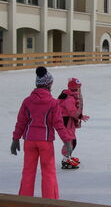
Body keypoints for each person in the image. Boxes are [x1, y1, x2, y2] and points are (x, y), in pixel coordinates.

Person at [10, 66, 73, 199]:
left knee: (28, 172)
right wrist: (67, 141)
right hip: (45, 143)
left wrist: (15, 139)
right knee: (48, 173)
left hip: (29, 141)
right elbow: (59, 124)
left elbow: (21, 122)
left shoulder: (27, 101)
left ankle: (24, 201)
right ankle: (50, 201)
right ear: (49, 84)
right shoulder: (52, 103)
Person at [58, 78, 90, 169]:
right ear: (75, 88)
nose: (80, 90)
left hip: (69, 120)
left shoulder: (70, 95)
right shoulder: (70, 98)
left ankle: (68, 157)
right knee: (70, 140)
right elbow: (71, 110)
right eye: (78, 88)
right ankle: (66, 159)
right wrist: (80, 116)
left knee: (72, 140)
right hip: (67, 121)